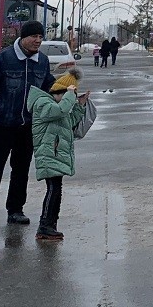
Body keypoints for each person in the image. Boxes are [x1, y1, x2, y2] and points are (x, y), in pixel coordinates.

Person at [0, 20, 55, 233]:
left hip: (27, 126)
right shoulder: (3, 58)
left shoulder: (42, 61)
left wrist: (68, 91)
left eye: (41, 37)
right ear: (23, 37)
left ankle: (15, 209)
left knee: (21, 169)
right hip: (2, 125)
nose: (38, 41)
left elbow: (49, 86)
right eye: (34, 36)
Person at [27, 69, 90, 242]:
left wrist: (80, 105)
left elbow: (69, 122)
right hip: (49, 154)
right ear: (59, 92)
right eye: (70, 94)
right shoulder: (43, 103)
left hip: (55, 153)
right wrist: (71, 95)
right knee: (53, 190)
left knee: (56, 190)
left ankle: (51, 224)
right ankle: (44, 225)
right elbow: (60, 111)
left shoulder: (57, 105)